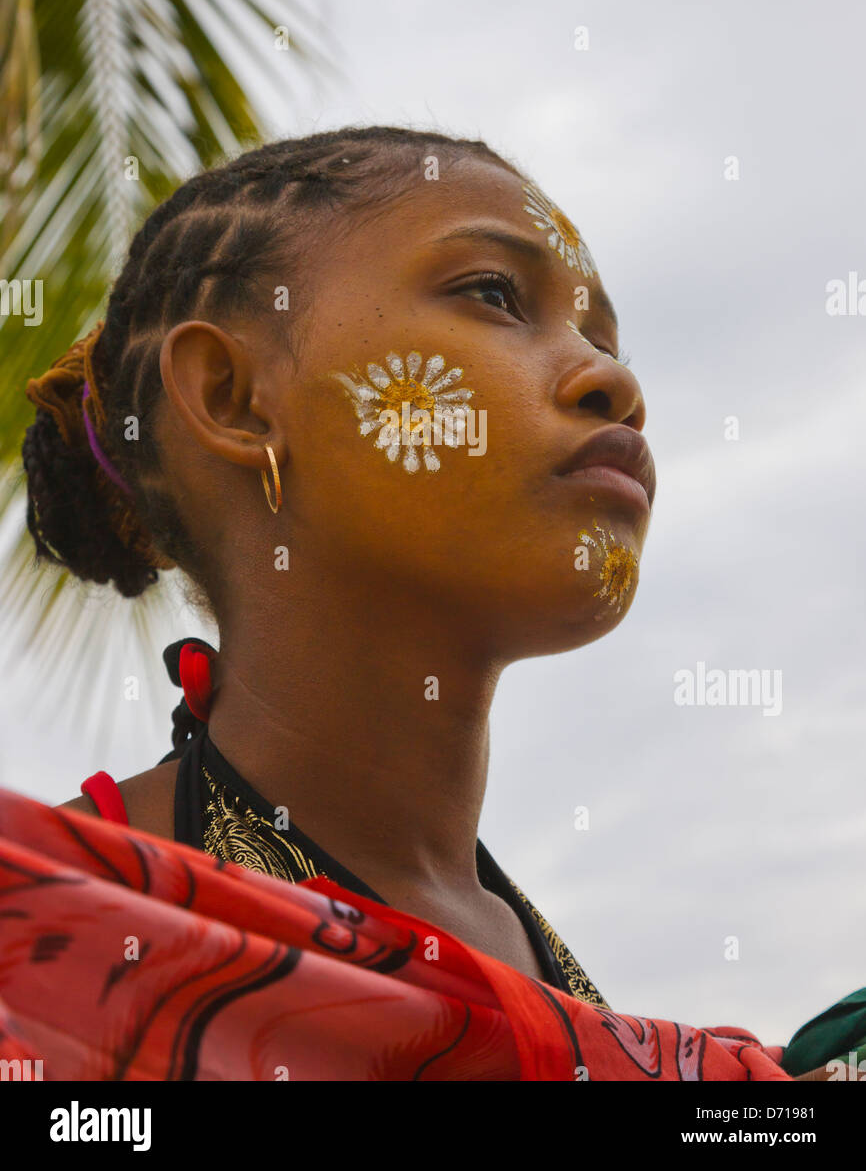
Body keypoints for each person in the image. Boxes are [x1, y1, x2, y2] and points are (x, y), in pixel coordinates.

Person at [21, 125, 653, 1007]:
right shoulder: (40, 939)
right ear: (232, 398)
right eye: (495, 294)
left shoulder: (620, 1040)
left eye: (607, 342)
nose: (613, 383)